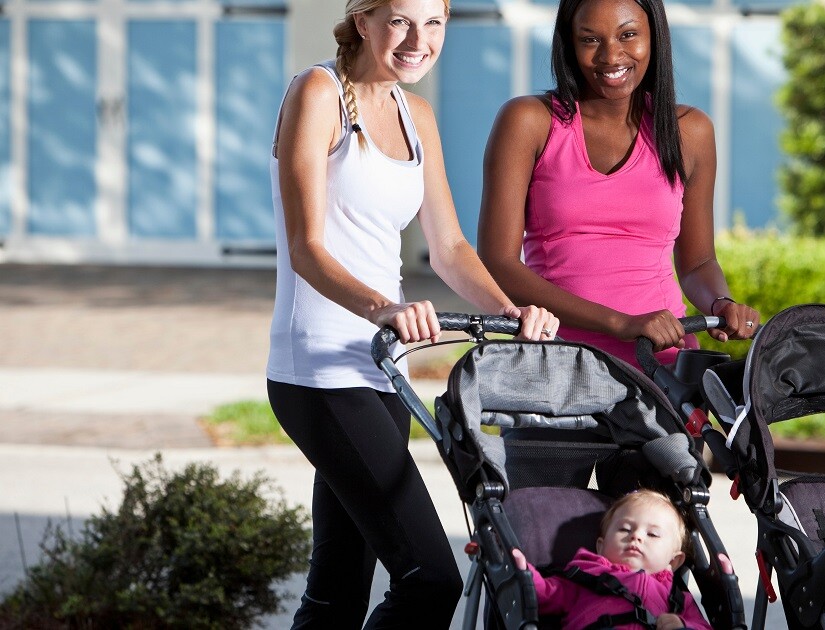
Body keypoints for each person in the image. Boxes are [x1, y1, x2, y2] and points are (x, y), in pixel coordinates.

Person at [265, 0, 559, 626]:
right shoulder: (318, 92)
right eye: (400, 20)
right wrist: (385, 309)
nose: (418, 41)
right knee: (430, 578)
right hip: (317, 370)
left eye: (435, 24)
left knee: (338, 585)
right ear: (363, 18)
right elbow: (306, 247)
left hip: (382, 369)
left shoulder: (415, 113)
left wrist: (514, 311)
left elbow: (449, 248)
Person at [477, 0, 760, 368]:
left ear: (654, 37)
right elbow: (498, 263)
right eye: (590, 39)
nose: (611, 56)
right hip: (556, 364)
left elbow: (698, 262)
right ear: (569, 44)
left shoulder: (689, 131)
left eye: (628, 35)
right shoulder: (528, 121)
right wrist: (619, 323)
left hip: (663, 368)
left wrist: (720, 302)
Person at [511, 490, 719, 630]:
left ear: (673, 562)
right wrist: (520, 566)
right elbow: (544, 594)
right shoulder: (583, 577)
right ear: (600, 546)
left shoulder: (677, 599)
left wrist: (681, 625)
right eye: (624, 529)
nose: (636, 536)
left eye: (653, 534)